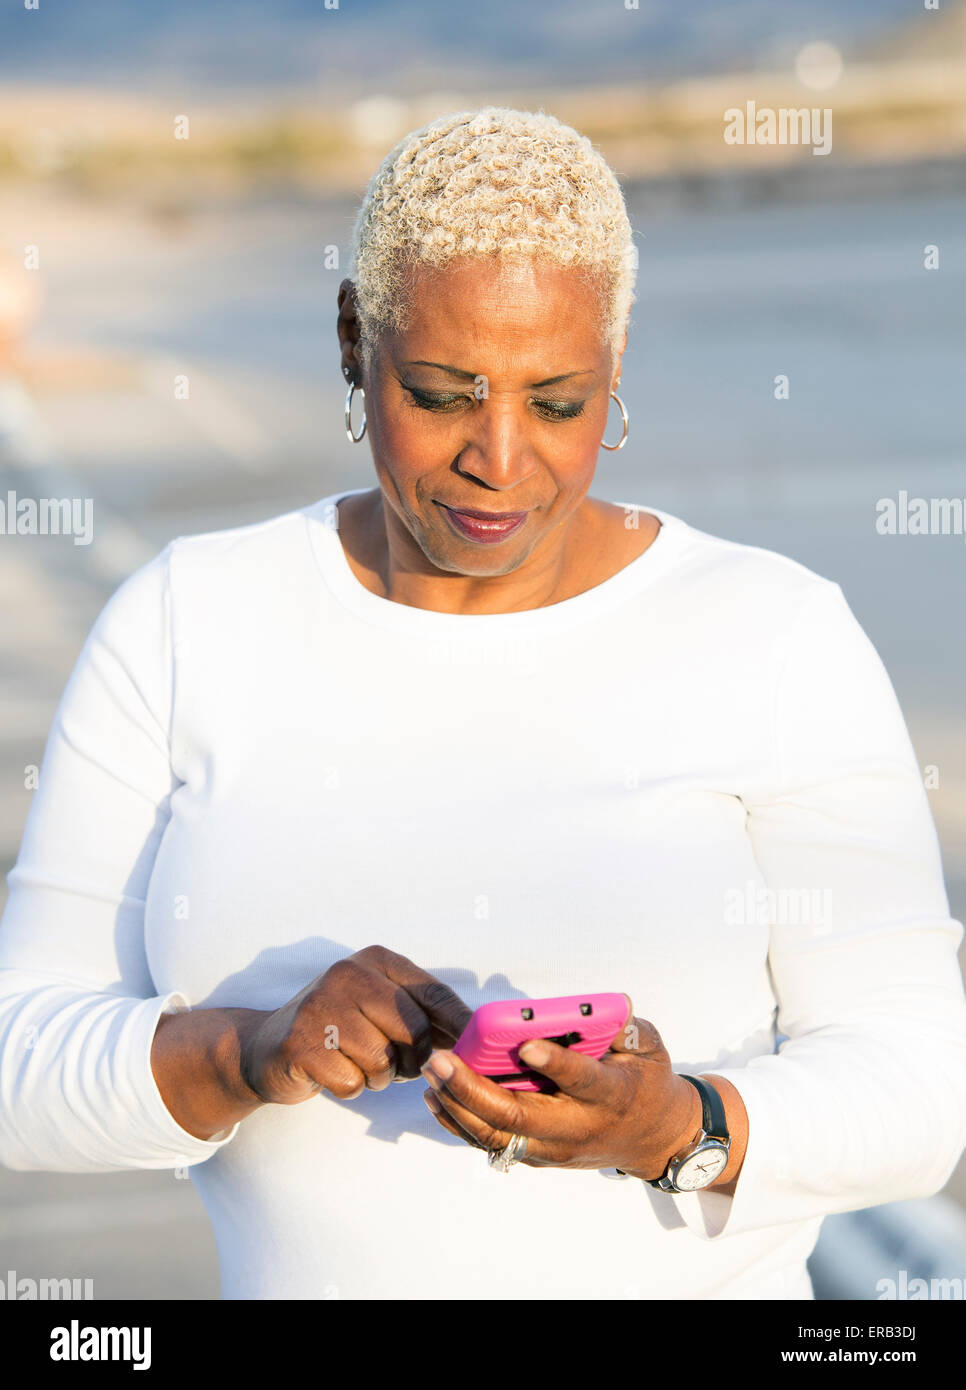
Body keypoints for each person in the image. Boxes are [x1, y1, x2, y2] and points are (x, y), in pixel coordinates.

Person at [1, 107, 964, 1301]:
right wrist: (251, 1051)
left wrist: (669, 1128)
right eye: (446, 393)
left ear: (615, 367)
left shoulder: (776, 636)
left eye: (556, 402)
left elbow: (921, 1088)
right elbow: (20, 1066)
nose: (500, 459)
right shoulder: (184, 622)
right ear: (355, 340)